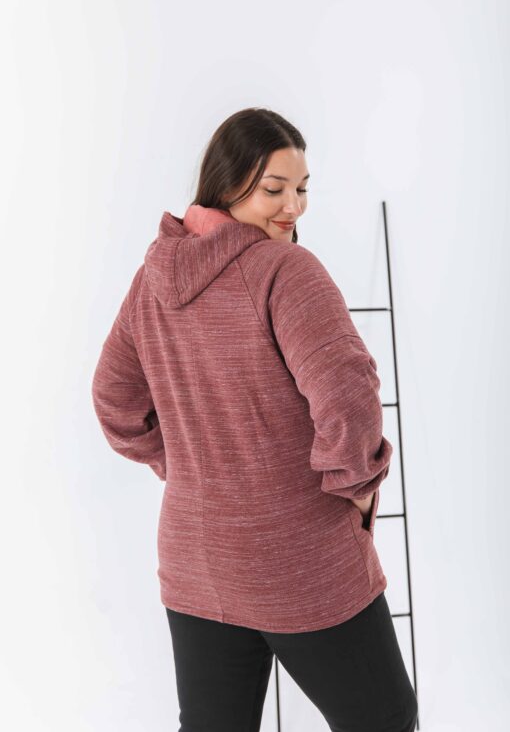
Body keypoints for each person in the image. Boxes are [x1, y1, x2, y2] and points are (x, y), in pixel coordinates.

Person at [91, 107, 418, 731]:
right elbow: (348, 397)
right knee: (385, 719)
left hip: (195, 559)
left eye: (302, 188)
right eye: (274, 189)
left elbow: (113, 399)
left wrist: (186, 467)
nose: (293, 207)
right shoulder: (286, 270)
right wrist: (354, 491)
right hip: (299, 556)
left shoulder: (152, 279)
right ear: (227, 184)